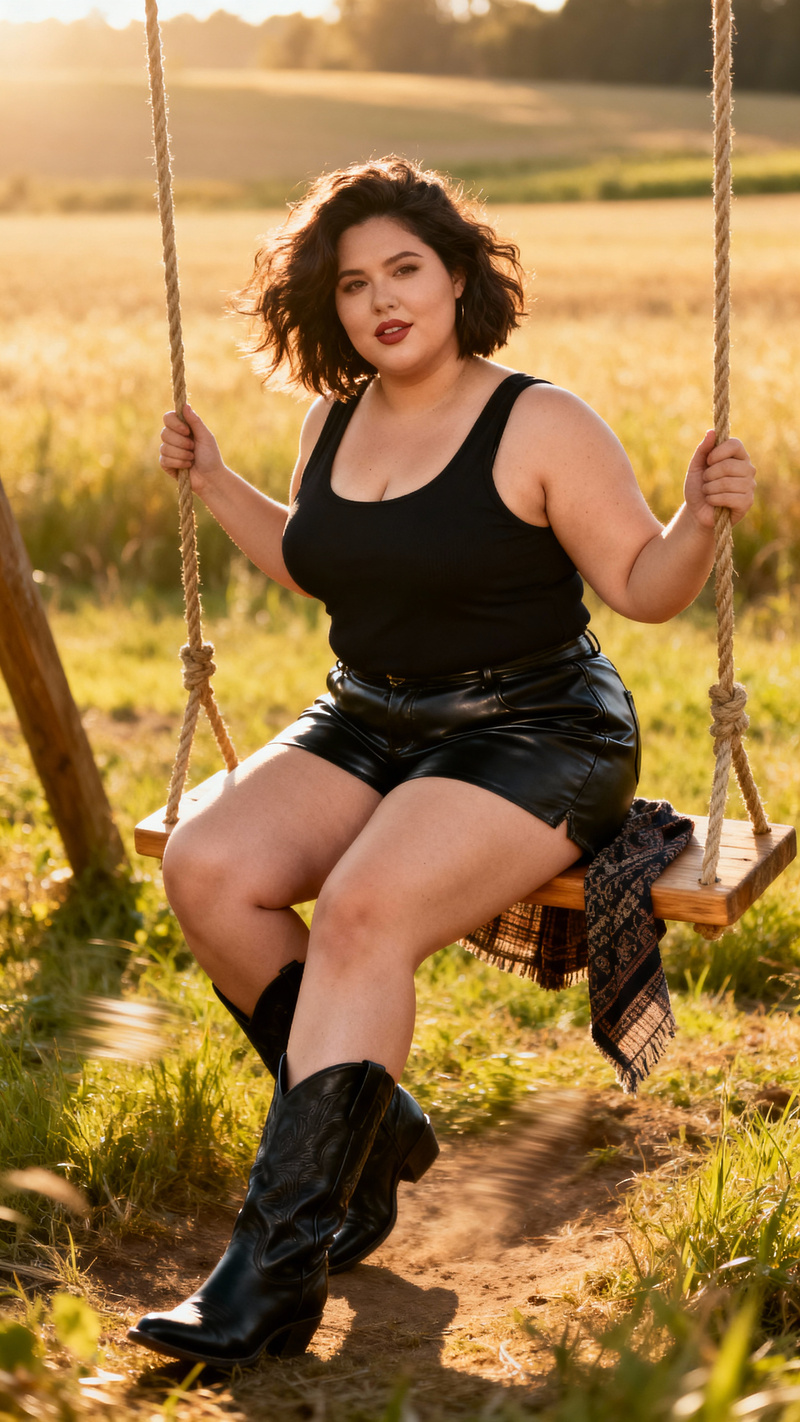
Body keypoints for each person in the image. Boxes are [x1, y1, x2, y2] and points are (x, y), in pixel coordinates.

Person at [128, 157, 755, 1368]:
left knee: (364, 909)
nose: (381, 300)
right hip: (368, 715)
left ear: (458, 277)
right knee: (209, 868)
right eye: (354, 283)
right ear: (334, 308)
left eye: (404, 269)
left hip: (537, 729)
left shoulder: (539, 419)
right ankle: (373, 1134)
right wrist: (212, 480)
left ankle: (275, 1269)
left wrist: (696, 520)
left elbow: (640, 590)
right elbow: (322, 565)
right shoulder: (333, 418)